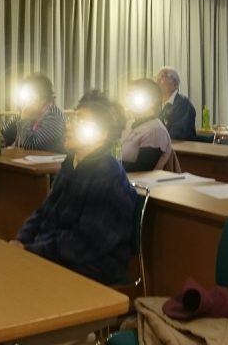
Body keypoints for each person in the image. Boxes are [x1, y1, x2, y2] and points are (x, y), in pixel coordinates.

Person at [11, 90, 137, 285]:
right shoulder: (71, 162)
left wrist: (32, 251)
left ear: (102, 133)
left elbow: (85, 242)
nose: (69, 126)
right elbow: (44, 211)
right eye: (72, 119)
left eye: (81, 121)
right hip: (58, 255)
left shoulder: (107, 173)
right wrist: (21, 239)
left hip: (93, 267)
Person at [120, 78, 180, 172]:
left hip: (137, 179)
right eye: (129, 95)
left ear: (153, 101)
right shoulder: (129, 124)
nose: (130, 99)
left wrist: (109, 167)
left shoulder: (155, 130)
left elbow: (142, 168)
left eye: (135, 95)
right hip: (119, 176)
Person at [2, 73, 65, 152]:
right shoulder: (27, 112)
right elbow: (4, 135)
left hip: (46, 160)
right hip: (22, 159)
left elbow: (31, 146)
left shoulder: (54, 117)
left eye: (30, 96)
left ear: (43, 99)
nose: (24, 100)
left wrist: (25, 119)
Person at [155, 67, 197, 140]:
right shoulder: (156, 104)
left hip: (180, 145)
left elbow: (178, 133)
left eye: (162, 77)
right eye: (157, 79)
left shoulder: (184, 104)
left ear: (175, 84)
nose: (158, 82)